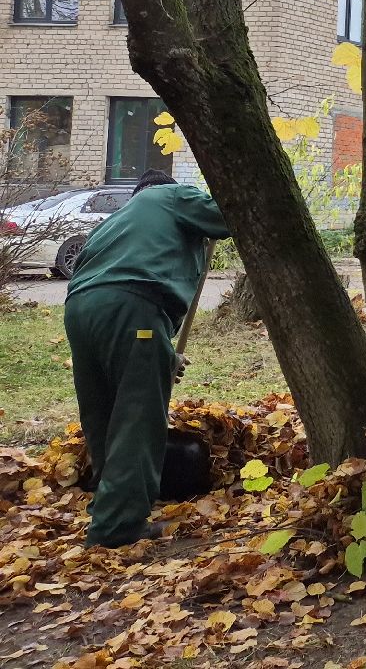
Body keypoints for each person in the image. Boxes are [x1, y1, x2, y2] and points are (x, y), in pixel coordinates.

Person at [63, 169, 228, 548]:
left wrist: (163, 354)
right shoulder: (169, 196)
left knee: (102, 414)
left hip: (80, 311)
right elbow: (227, 214)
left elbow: (115, 290)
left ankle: (108, 504)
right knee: (137, 416)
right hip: (133, 306)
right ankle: (118, 526)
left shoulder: (115, 222)